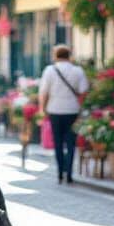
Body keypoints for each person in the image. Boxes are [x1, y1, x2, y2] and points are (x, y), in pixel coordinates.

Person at [39, 44, 89, 184]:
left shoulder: (49, 70)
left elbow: (43, 92)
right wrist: (79, 103)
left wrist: (42, 109)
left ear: (56, 56)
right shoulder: (77, 71)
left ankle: (60, 173)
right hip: (72, 110)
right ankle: (69, 174)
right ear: (69, 56)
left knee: (58, 143)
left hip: (54, 110)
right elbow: (84, 90)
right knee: (71, 142)